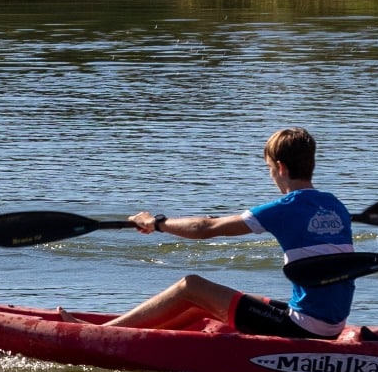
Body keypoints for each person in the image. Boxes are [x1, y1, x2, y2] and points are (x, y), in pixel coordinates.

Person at [104, 127, 360, 337]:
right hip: (331, 323)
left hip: (303, 328)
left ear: (281, 168)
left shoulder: (284, 208)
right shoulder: (335, 205)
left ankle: (104, 334)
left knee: (189, 286)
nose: (271, 175)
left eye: (269, 168)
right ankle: (150, 341)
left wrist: (156, 222)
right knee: (199, 303)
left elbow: (206, 228)